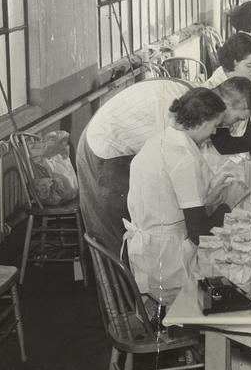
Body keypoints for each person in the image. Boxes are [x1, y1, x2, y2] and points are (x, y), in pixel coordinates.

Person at [124, 88, 248, 307]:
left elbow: (171, 202)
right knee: (239, 279)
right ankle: (205, 334)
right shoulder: (183, 156)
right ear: (201, 121)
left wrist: (211, 193)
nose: (213, 134)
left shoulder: (159, 141)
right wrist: (228, 203)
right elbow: (199, 233)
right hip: (168, 264)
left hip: (150, 252)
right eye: (213, 127)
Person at [76, 79, 193, 256]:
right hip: (105, 147)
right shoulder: (171, 102)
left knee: (136, 227)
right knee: (118, 230)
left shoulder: (188, 97)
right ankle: (120, 282)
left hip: (112, 139)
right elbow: (168, 164)